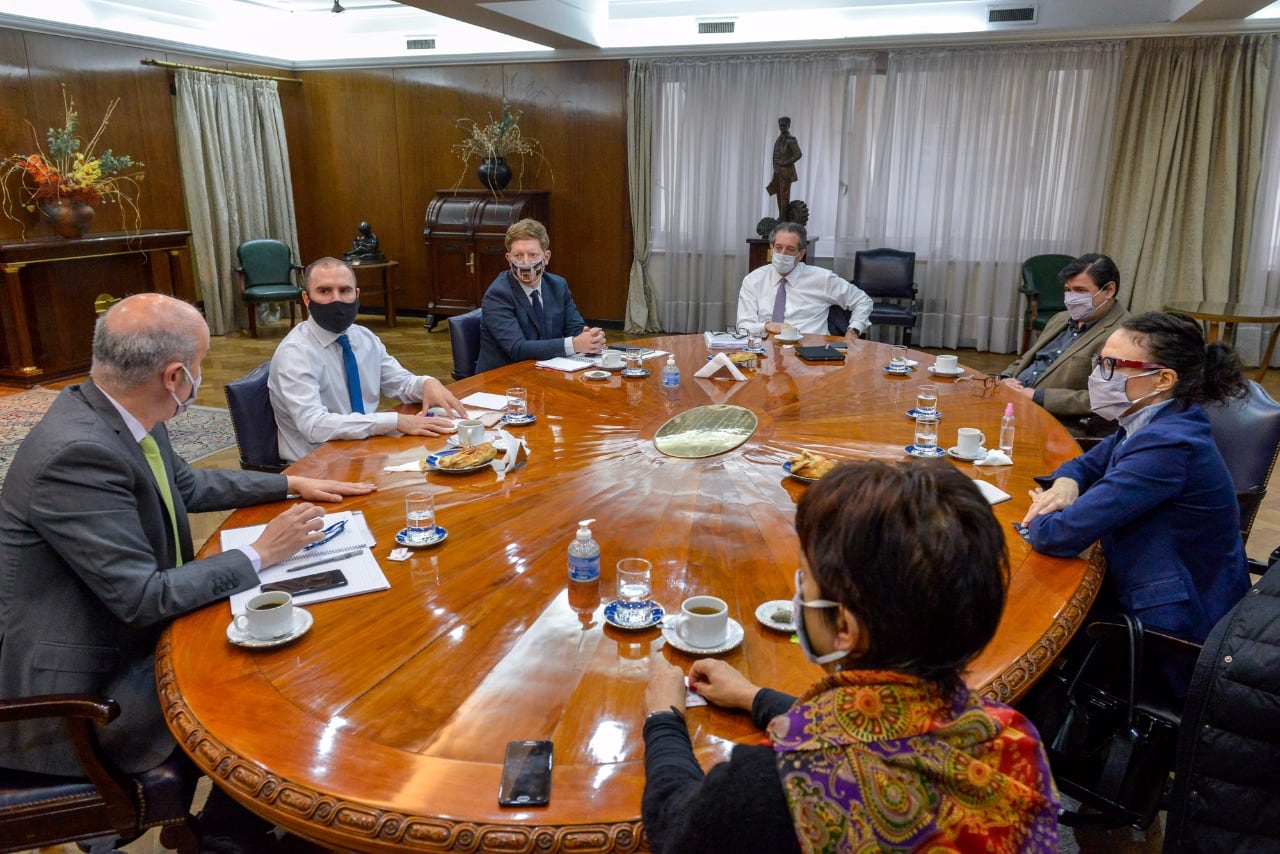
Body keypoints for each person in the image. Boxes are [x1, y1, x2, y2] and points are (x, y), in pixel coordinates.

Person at [0, 293, 376, 778]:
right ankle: (238, 830)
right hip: (86, 697)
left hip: (126, 634)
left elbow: (186, 483)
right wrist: (262, 552)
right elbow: (144, 597)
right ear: (175, 377)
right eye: (200, 366)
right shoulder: (75, 456)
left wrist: (289, 483)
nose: (200, 378)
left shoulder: (119, 409)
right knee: (280, 691)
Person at [642, 461, 1059, 853]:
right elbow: (887, 733)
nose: (799, 594)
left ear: (843, 627)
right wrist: (755, 698)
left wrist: (663, 720)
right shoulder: (1015, 738)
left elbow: (675, 826)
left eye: (806, 580)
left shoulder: (774, 787)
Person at [1022, 311, 1250, 645]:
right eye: (1100, 362)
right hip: (1136, 584)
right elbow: (1082, 467)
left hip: (1167, 627)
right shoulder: (1152, 419)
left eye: (1112, 366)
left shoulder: (1169, 444)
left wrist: (1040, 513)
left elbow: (1060, 534)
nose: (1098, 375)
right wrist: (1065, 485)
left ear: (1163, 380)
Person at [270, 256, 466, 463]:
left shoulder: (362, 337)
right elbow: (314, 426)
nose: (336, 300)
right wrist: (394, 422)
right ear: (307, 299)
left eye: (344, 291)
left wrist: (426, 383)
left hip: (365, 450)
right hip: (317, 466)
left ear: (357, 295)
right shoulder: (295, 353)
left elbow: (398, 382)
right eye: (324, 291)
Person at [1000, 253, 1129, 425]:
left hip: (1055, 422)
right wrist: (1005, 378)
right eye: (1068, 290)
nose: (1071, 298)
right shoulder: (1060, 318)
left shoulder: (1125, 335)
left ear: (1109, 290)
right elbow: (1028, 359)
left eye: (1081, 291)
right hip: (1013, 404)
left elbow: (1109, 398)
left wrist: (1037, 396)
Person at [473, 218, 604, 373]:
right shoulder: (497, 294)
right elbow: (517, 348)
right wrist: (574, 344)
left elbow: (574, 327)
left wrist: (591, 338)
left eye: (533, 255)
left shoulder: (557, 285)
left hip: (547, 372)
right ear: (509, 259)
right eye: (519, 255)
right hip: (504, 379)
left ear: (546, 257)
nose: (526, 262)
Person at [736, 222, 873, 339]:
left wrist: (853, 331)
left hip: (810, 349)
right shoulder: (753, 280)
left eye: (790, 249)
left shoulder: (822, 278)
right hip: (765, 350)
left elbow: (862, 301)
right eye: (778, 247)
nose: (783, 254)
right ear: (771, 249)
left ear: (801, 254)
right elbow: (743, 327)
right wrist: (766, 326)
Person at [766, 116, 802, 221]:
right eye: (780, 125)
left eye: (784, 125)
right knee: (779, 195)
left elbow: (798, 154)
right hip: (777, 172)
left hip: (786, 172)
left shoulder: (791, 140)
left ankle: (784, 218)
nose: (782, 127)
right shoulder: (779, 139)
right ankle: (781, 216)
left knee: (784, 195)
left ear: (788, 125)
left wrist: (785, 162)